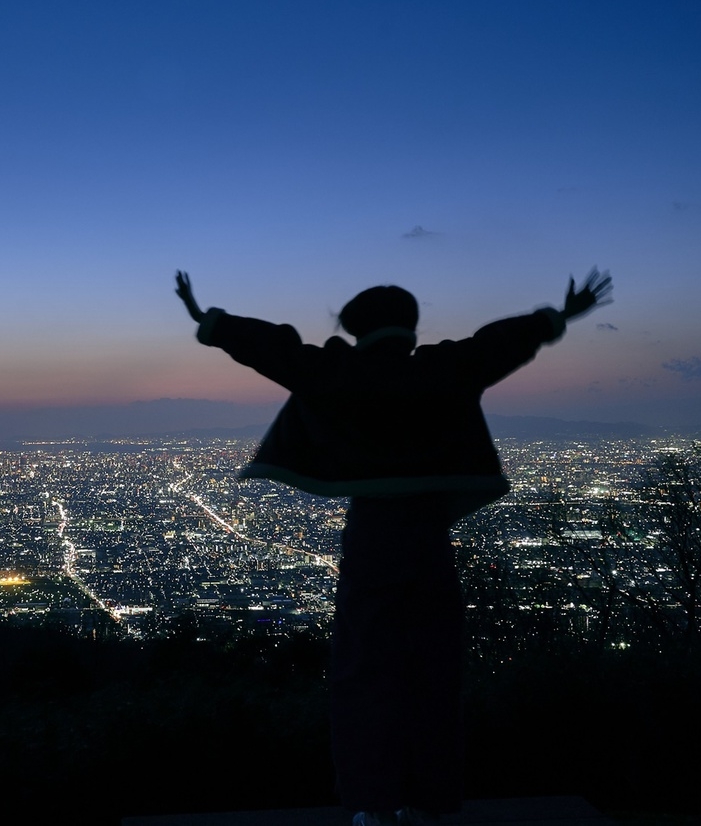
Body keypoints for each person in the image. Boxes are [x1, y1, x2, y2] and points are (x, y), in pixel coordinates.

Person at [173, 268, 612, 826]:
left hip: (373, 535)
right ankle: (432, 800)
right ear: (408, 326)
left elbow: (275, 349)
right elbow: (496, 345)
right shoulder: (441, 371)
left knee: (365, 671)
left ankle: (373, 802)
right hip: (429, 536)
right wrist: (559, 316)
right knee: (434, 669)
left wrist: (206, 319)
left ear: (359, 329)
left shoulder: (340, 372)